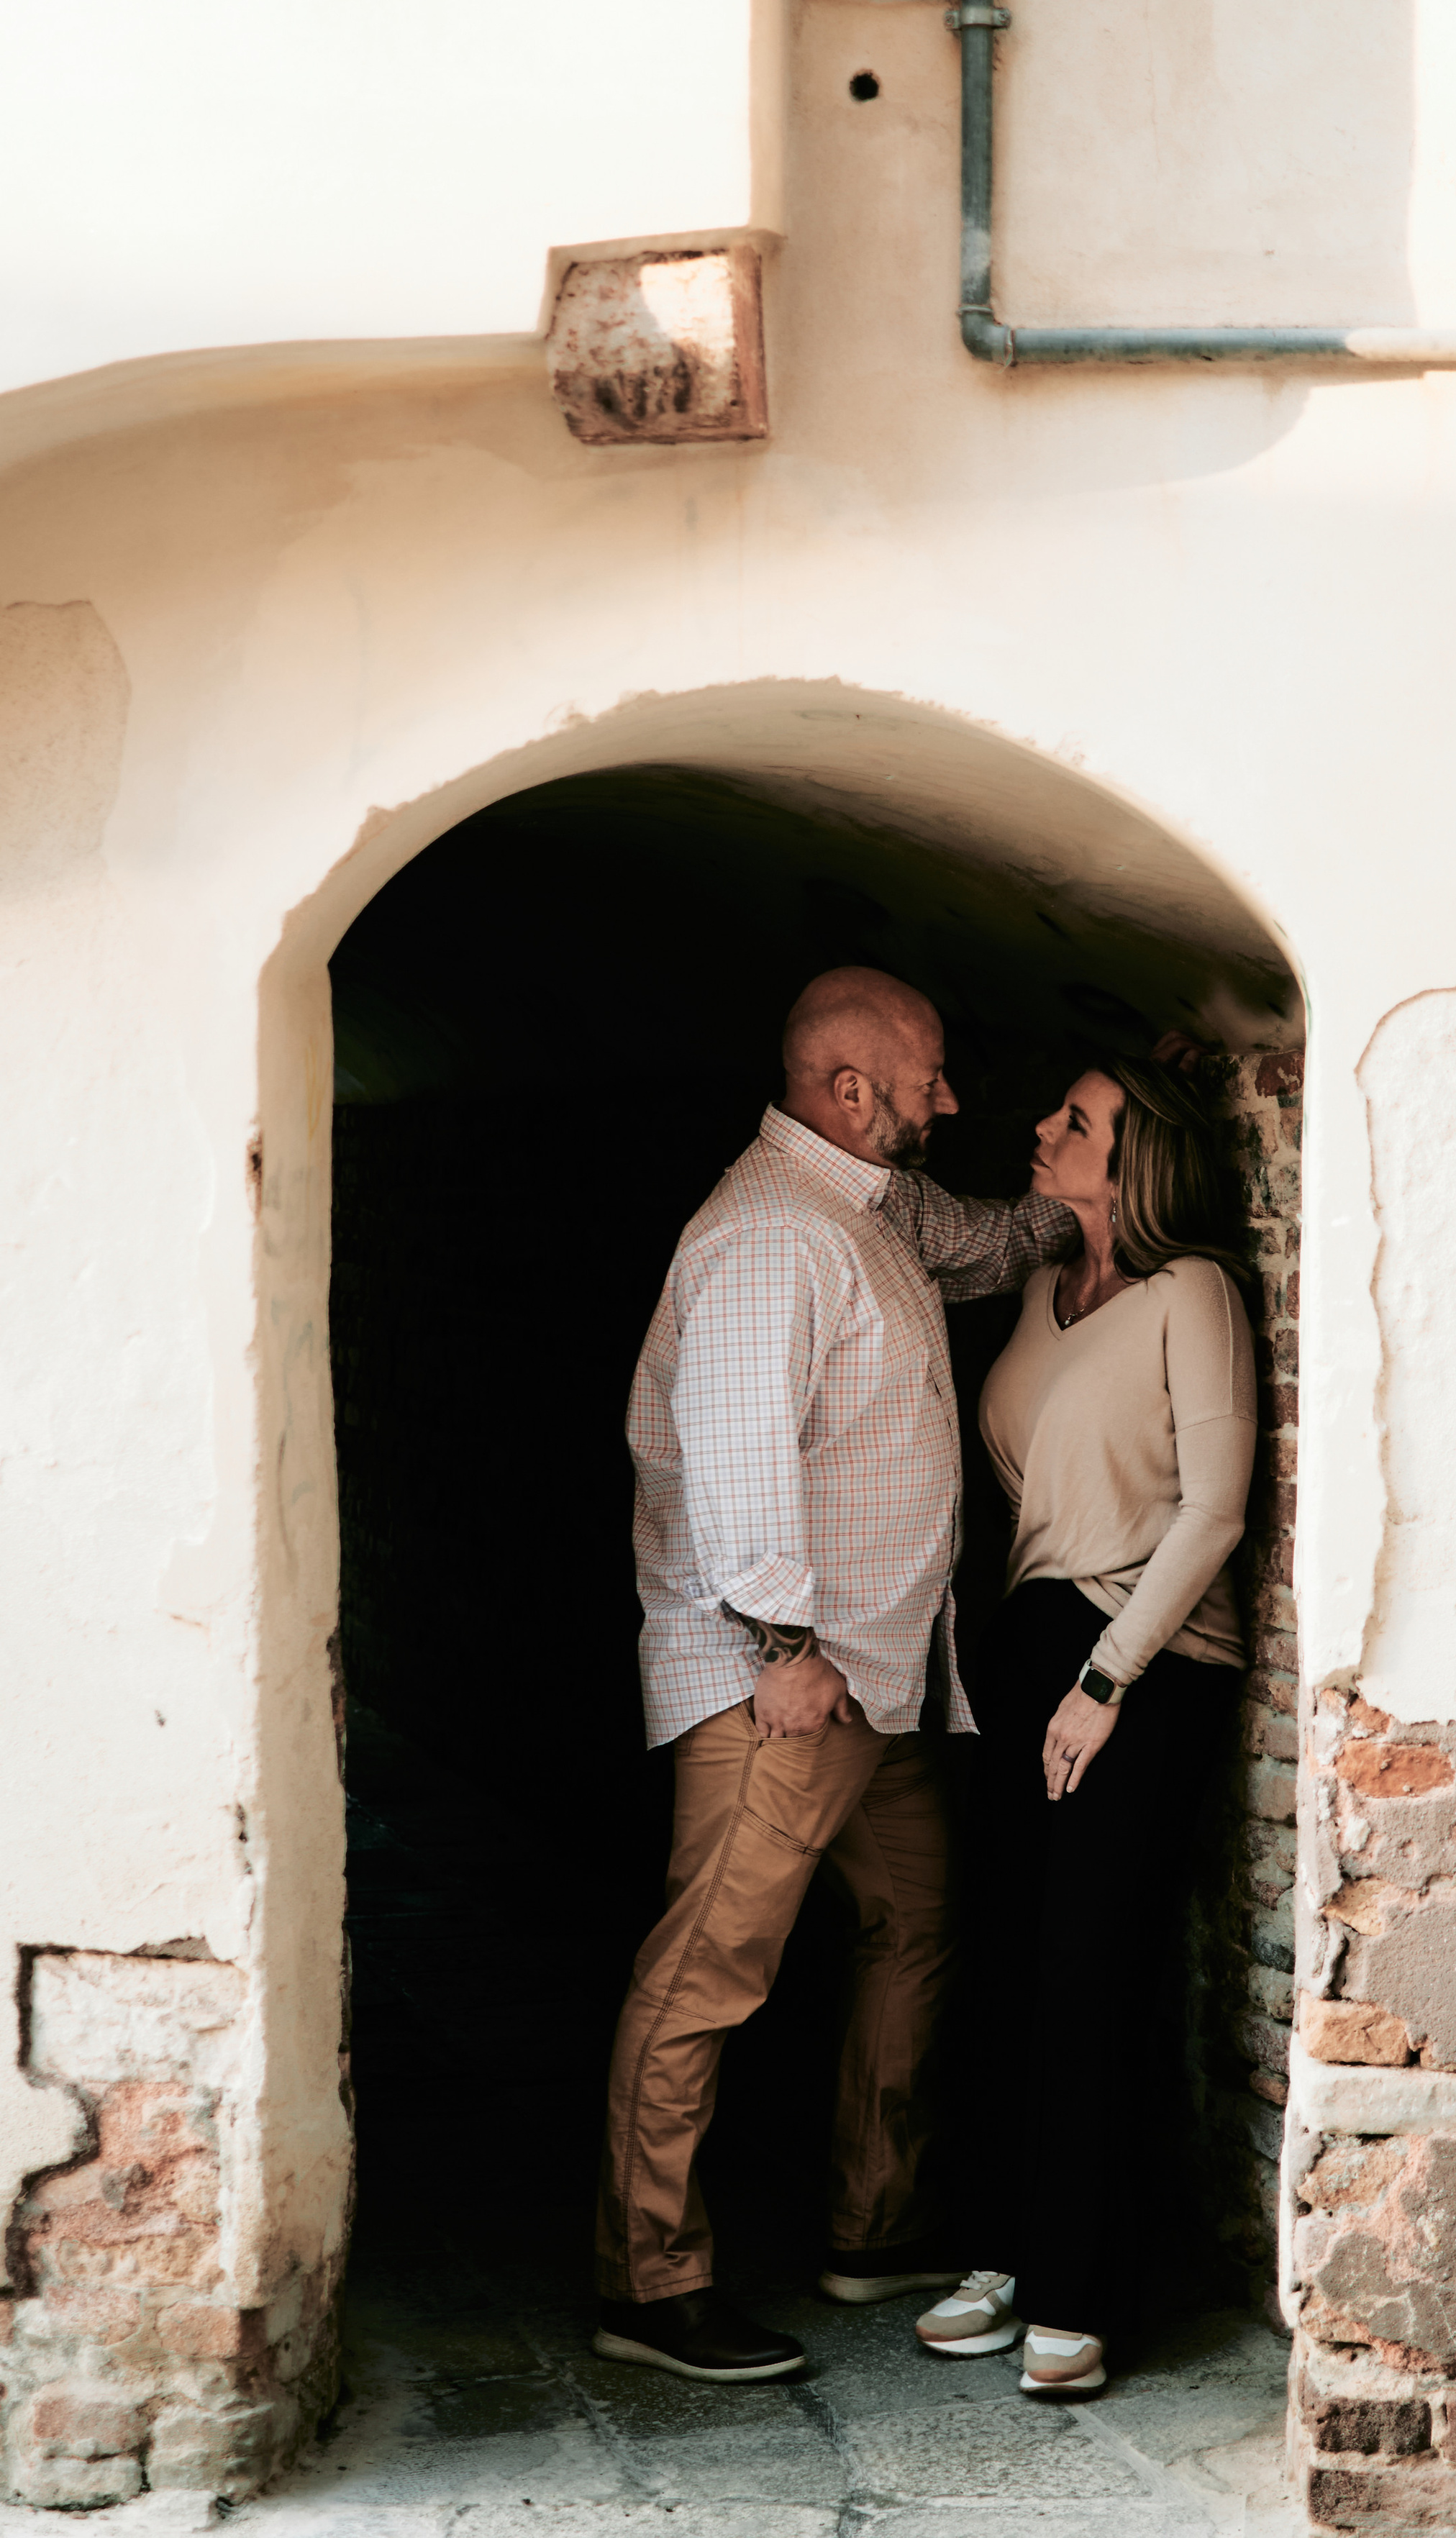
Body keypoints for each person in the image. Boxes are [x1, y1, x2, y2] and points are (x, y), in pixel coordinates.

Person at [591, 965, 1075, 2384]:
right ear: (845, 1088)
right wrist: (784, 1652)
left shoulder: (871, 1208)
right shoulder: (767, 1237)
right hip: (787, 1683)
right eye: (925, 1076)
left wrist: (1094, 1206)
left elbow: (990, 1247)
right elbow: (735, 1460)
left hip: (884, 1677)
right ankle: (648, 2281)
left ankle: (875, 2227)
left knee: (914, 1930)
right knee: (705, 1974)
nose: (949, 1099)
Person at [916, 1052, 1257, 2397]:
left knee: (1088, 1965)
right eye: (1055, 1108)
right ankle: (1003, 2249)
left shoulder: (1196, 1293)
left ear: (1137, 1165)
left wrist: (1105, 1681)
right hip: (1030, 1638)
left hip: (1148, 1659)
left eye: (1077, 1121)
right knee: (1001, 1951)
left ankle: (1082, 2285)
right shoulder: (1044, 1293)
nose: (1044, 1128)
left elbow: (1215, 1509)